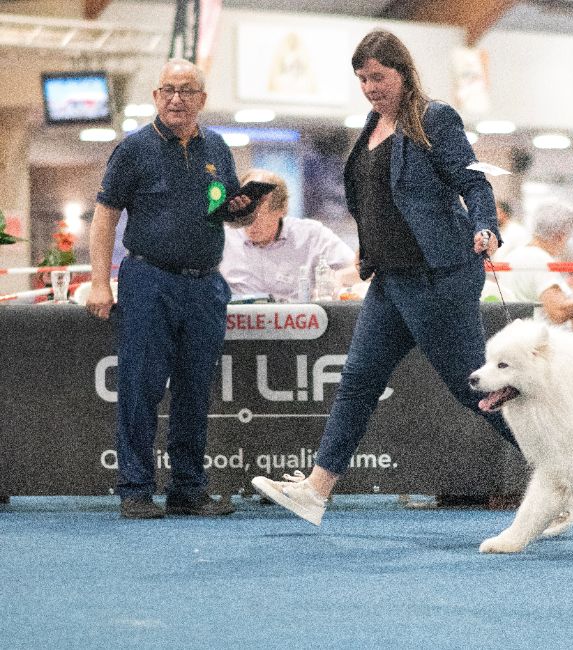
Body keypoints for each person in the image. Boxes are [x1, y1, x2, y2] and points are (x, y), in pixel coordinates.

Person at [251, 29, 518, 525]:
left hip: (438, 277)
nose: (371, 87)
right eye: (362, 79)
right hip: (391, 280)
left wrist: (485, 224)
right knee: (357, 380)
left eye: (379, 76)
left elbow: (473, 181)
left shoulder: (435, 118)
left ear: (403, 71)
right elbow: (376, 202)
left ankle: (559, 464)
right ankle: (316, 490)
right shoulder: (372, 125)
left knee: (472, 390)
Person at [87, 58, 251, 519]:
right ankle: (136, 490)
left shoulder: (216, 147)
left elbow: (228, 211)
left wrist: (242, 208)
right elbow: (104, 217)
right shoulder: (134, 149)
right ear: (156, 98)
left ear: (202, 99)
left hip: (205, 287)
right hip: (148, 281)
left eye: (187, 90)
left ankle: (187, 490)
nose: (177, 98)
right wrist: (100, 281)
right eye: (168, 90)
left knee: (195, 391)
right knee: (141, 387)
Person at [219, 169, 358, 302]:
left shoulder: (311, 235)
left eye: (259, 217)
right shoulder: (224, 239)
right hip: (241, 322)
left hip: (296, 322)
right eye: (244, 216)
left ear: (282, 210)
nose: (250, 224)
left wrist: (336, 278)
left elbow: (359, 270)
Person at [501, 200, 573, 324]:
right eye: (568, 237)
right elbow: (558, 312)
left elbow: (539, 297)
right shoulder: (541, 261)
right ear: (559, 236)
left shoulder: (514, 255)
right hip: (542, 338)